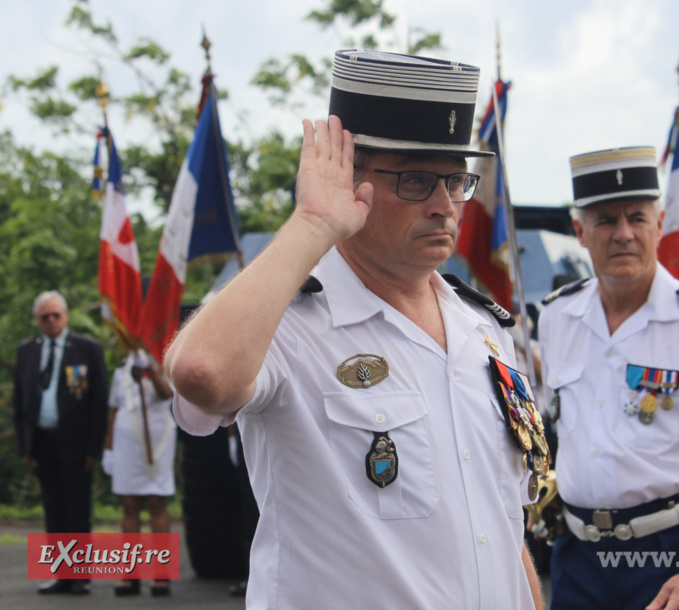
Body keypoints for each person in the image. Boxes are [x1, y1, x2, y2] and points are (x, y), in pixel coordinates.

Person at [164, 50, 544, 609]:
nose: (444, 206)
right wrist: (313, 224)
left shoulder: (485, 330)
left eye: (456, 180)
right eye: (416, 180)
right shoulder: (289, 323)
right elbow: (202, 374)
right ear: (349, 180)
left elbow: (502, 526)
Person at [538, 147, 679, 610]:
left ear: (659, 225)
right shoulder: (557, 317)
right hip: (577, 558)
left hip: (666, 560)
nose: (623, 235)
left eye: (637, 218)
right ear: (580, 232)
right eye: (605, 221)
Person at [13, 290, 109, 595]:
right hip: (42, 443)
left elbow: (98, 403)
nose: (51, 320)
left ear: (65, 316)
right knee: (53, 511)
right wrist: (25, 447)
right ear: (37, 320)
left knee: (77, 511)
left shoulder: (86, 348)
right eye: (45, 316)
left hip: (77, 446)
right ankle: (60, 575)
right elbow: (19, 401)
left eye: (56, 315)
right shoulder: (28, 350)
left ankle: (80, 576)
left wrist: (94, 448)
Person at [102, 349, 176, 596]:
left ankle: (161, 573)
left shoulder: (163, 365)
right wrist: (109, 449)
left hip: (157, 442)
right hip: (127, 445)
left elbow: (166, 395)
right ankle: (130, 573)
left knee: (156, 503)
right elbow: (112, 411)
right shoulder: (121, 372)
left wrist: (150, 369)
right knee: (129, 505)